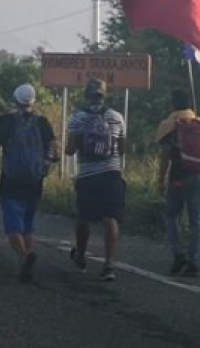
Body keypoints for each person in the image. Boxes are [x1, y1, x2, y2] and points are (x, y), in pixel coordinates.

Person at [0, 84, 58, 283]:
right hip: (35, 180)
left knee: (12, 225)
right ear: (33, 101)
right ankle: (25, 261)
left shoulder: (5, 121)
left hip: (11, 179)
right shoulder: (42, 122)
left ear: (15, 100)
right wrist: (45, 164)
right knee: (27, 223)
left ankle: (25, 256)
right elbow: (54, 149)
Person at [65, 79, 127, 282]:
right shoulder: (117, 117)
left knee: (84, 218)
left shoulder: (78, 118)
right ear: (104, 94)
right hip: (112, 174)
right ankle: (109, 265)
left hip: (88, 175)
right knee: (111, 218)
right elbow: (123, 148)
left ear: (87, 95)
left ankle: (81, 256)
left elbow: (70, 150)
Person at [156, 89, 200, 277]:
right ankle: (193, 260)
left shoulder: (169, 124)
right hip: (199, 176)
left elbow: (165, 157)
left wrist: (160, 180)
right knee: (197, 219)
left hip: (178, 177)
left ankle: (178, 254)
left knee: (171, 215)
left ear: (172, 103)